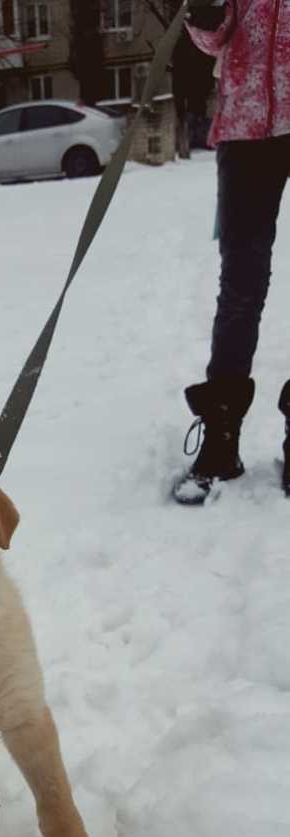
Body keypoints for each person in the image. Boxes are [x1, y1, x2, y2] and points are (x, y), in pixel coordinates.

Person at [173, 0, 290, 505]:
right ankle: (221, 438)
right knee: (241, 286)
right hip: (246, 130)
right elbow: (214, 39)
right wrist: (204, 14)